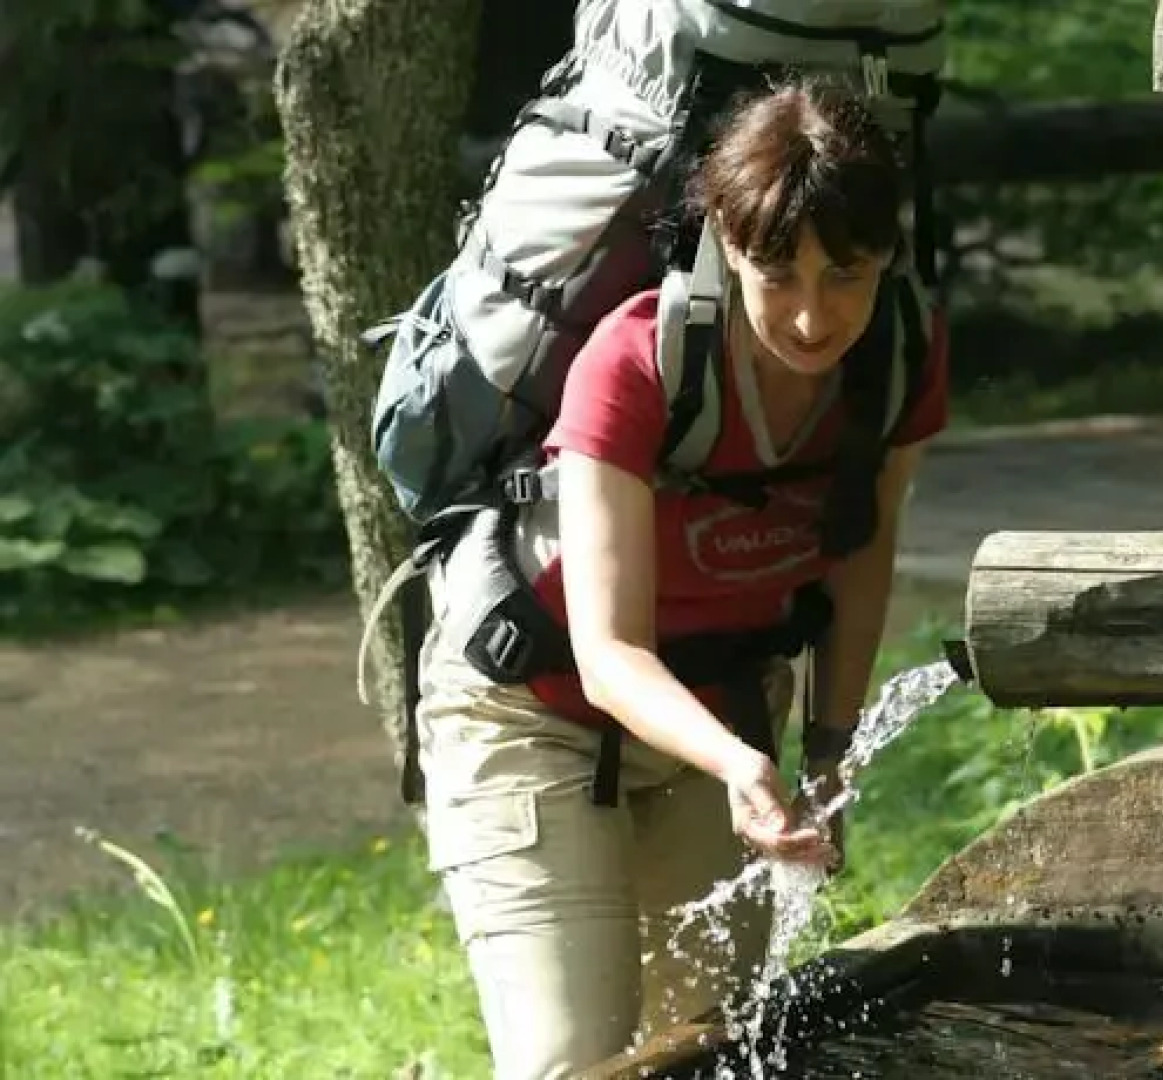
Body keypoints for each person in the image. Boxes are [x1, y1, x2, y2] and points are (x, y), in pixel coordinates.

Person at [410, 78, 949, 1079]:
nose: (811, 315)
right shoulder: (636, 362)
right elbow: (608, 652)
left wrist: (827, 755)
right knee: (575, 1063)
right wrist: (742, 766)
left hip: (723, 711)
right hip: (534, 716)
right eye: (778, 273)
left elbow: (859, 557)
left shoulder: (899, 356)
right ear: (728, 247)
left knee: (712, 1054)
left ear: (887, 257)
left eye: (846, 273)